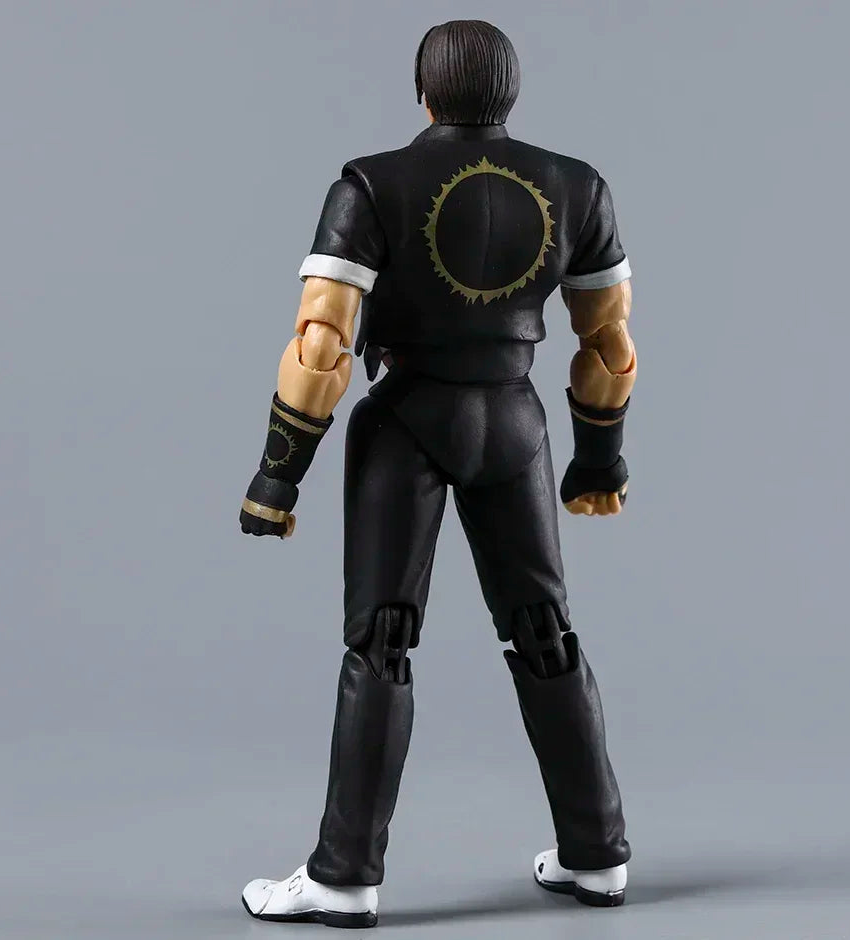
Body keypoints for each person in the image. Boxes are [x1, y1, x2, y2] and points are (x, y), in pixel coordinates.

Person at [238, 19, 637, 928]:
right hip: (517, 422)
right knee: (545, 632)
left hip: (409, 419)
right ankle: (598, 855)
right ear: (511, 92)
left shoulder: (371, 184)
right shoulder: (577, 186)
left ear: (423, 93)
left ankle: (344, 874)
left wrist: (276, 478)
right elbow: (610, 346)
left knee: (381, 641)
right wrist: (599, 461)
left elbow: (321, 343)